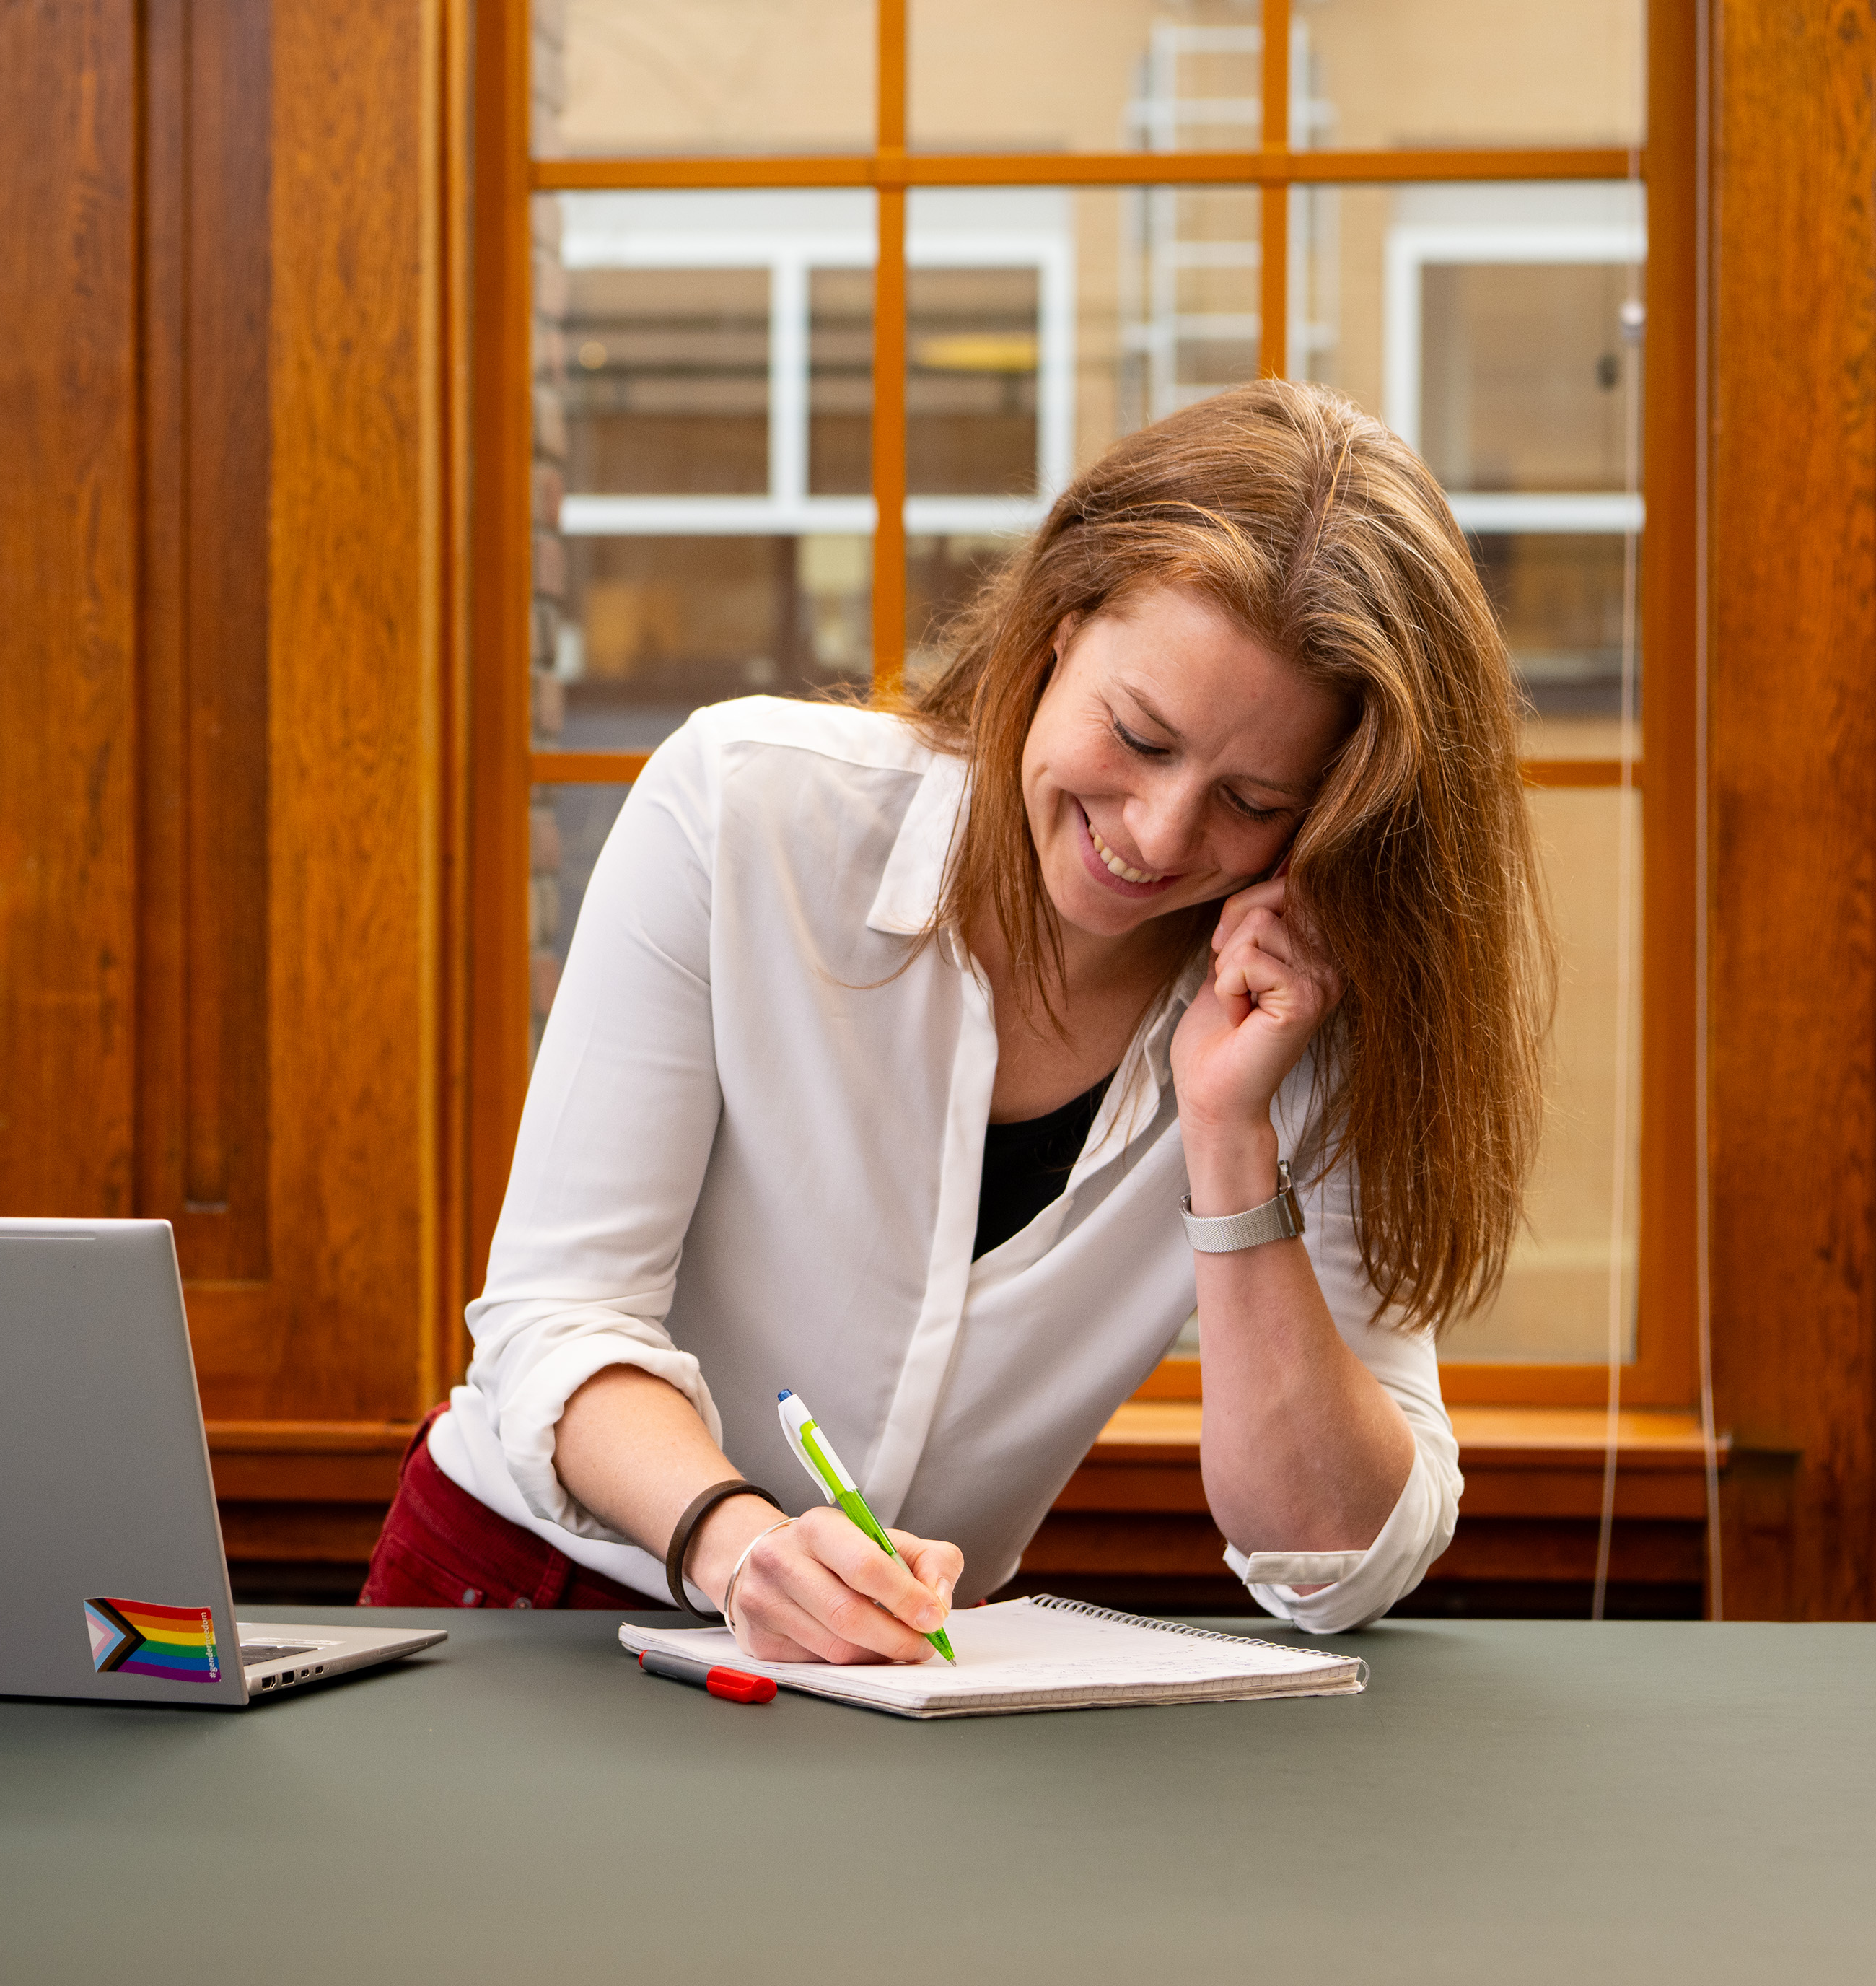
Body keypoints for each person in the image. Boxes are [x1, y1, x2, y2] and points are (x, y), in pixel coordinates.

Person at [362, 377, 1551, 1658]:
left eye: (1252, 800)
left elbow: (1329, 1562)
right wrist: (741, 1539)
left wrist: (1226, 1132)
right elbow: (557, 1321)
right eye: (1140, 736)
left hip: (892, 1675)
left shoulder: (1298, 1012)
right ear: (1061, 623)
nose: (1156, 836)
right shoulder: (743, 810)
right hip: (522, 1604)